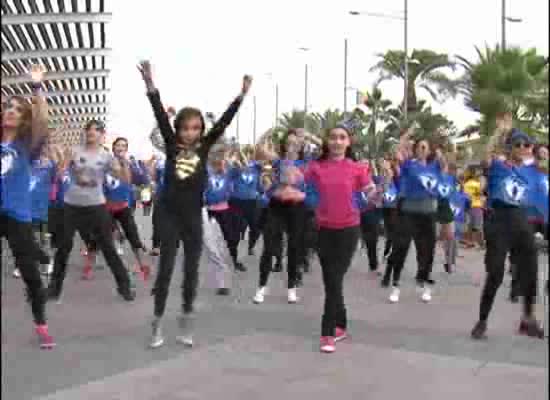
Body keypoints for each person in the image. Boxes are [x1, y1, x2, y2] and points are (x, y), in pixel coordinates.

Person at [138, 60, 251, 349]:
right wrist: (150, 84)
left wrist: (241, 95)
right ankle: (157, 321)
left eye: (196, 128)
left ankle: (186, 321)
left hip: (192, 215)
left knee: (191, 271)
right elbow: (158, 113)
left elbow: (224, 121)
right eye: (186, 128)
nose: (190, 133)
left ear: (201, 131)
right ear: (178, 130)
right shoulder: (171, 144)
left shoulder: (204, 147)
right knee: (165, 270)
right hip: (168, 213)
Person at [471, 115, 544, 340]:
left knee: (530, 271)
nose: (522, 148)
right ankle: (482, 320)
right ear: (510, 147)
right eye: (518, 144)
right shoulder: (498, 166)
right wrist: (498, 132)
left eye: (526, 145)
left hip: (521, 222)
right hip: (499, 221)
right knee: (495, 273)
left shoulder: (531, 173)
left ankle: (528, 320)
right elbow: (484, 156)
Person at [303, 122, 373, 353]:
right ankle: (341, 323)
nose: (337, 141)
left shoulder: (358, 168)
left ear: (348, 142)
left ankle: (327, 332)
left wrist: (378, 193)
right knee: (331, 281)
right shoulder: (315, 167)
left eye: (342, 137)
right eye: (333, 137)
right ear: (327, 142)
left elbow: (370, 193)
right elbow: (300, 185)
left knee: (334, 279)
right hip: (323, 230)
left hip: (348, 230)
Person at [47, 120, 136, 303]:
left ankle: (124, 286)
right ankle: (54, 289)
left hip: (96, 206)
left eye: (95, 130)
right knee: (63, 248)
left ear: (102, 134)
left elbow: (126, 180)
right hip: (71, 205)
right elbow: (60, 170)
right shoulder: (75, 151)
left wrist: (124, 163)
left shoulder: (106, 157)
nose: (90, 133)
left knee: (108, 248)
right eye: (88, 129)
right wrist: (61, 159)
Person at [1, 64, 55, 348]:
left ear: (23, 119)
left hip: (17, 215)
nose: (10, 111)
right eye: (7, 106)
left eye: (17, 109)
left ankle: (41, 324)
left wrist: (36, 89)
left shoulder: (26, 146)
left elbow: (43, 122)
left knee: (31, 276)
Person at [386, 129, 454, 304]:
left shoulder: (435, 167)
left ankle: (424, 283)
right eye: (420, 147)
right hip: (409, 212)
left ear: (429, 150)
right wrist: (407, 134)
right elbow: (396, 152)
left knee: (426, 251)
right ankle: (396, 285)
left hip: (428, 214)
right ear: (415, 149)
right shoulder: (409, 165)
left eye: (425, 147)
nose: (422, 149)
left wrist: (440, 146)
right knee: (401, 247)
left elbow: (446, 162)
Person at [252, 129, 310, 305]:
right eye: (289, 143)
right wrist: (266, 134)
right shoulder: (278, 161)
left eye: (295, 143)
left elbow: (325, 149)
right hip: (276, 207)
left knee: (294, 248)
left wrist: (308, 136)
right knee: (269, 247)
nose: (291, 146)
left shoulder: (306, 162)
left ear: (300, 146)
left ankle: (291, 288)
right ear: (284, 145)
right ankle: (262, 287)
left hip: (297, 209)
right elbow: (260, 149)